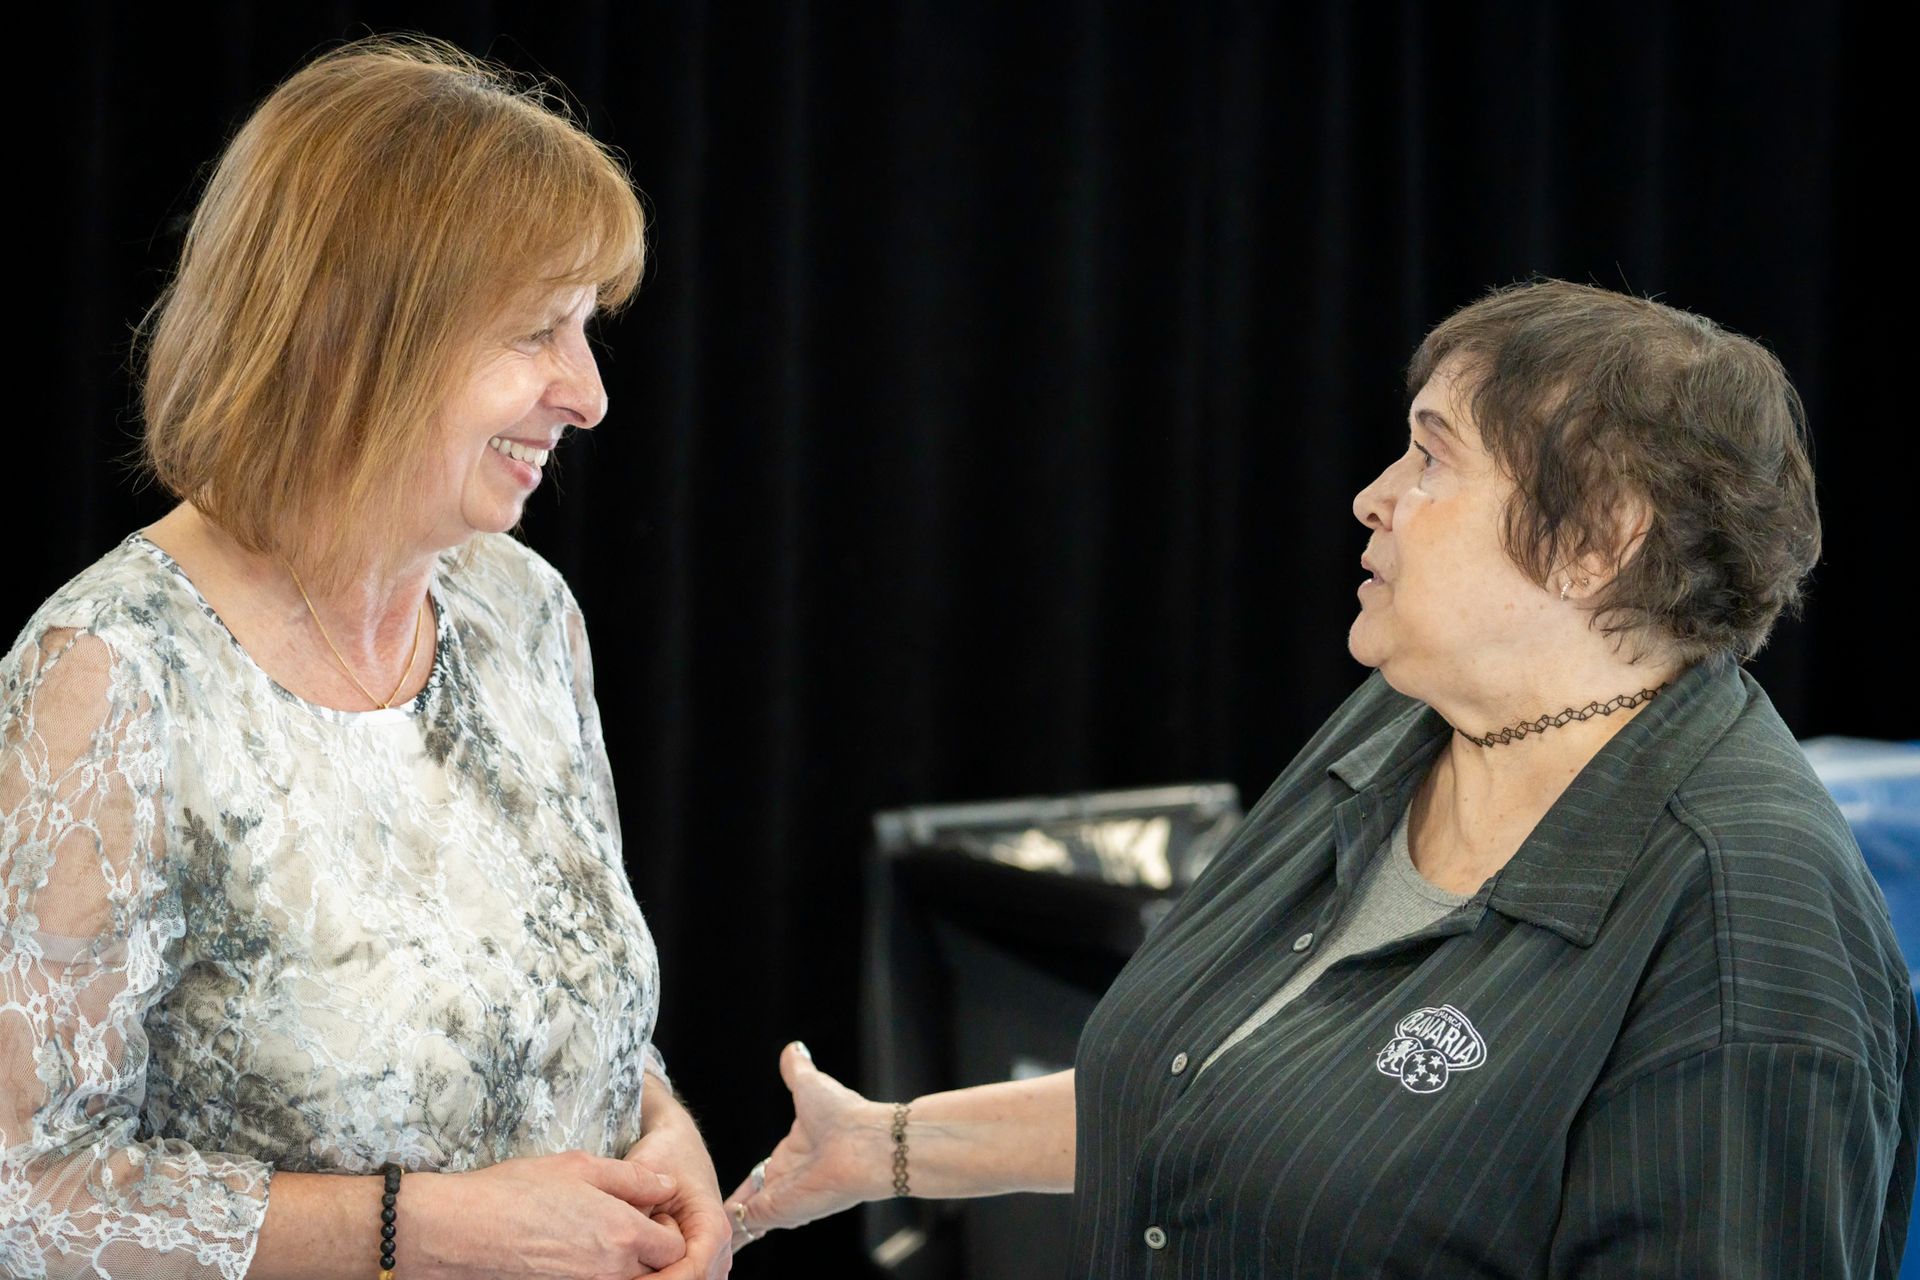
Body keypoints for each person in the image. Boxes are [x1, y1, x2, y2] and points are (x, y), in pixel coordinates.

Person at [727, 280, 1920, 1276]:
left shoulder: (1748, 917)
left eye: (1429, 457)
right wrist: (888, 1146)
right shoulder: (1408, 719)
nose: (1375, 497)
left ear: (1595, 540)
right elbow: (1232, 1093)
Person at [1, 38, 730, 1280]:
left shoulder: (525, 614)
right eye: (537, 330)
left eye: (586, 328)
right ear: (360, 334)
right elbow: (29, 1194)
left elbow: (567, 998)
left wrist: (672, 1144)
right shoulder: (114, 672)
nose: (591, 392)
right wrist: (421, 1232)